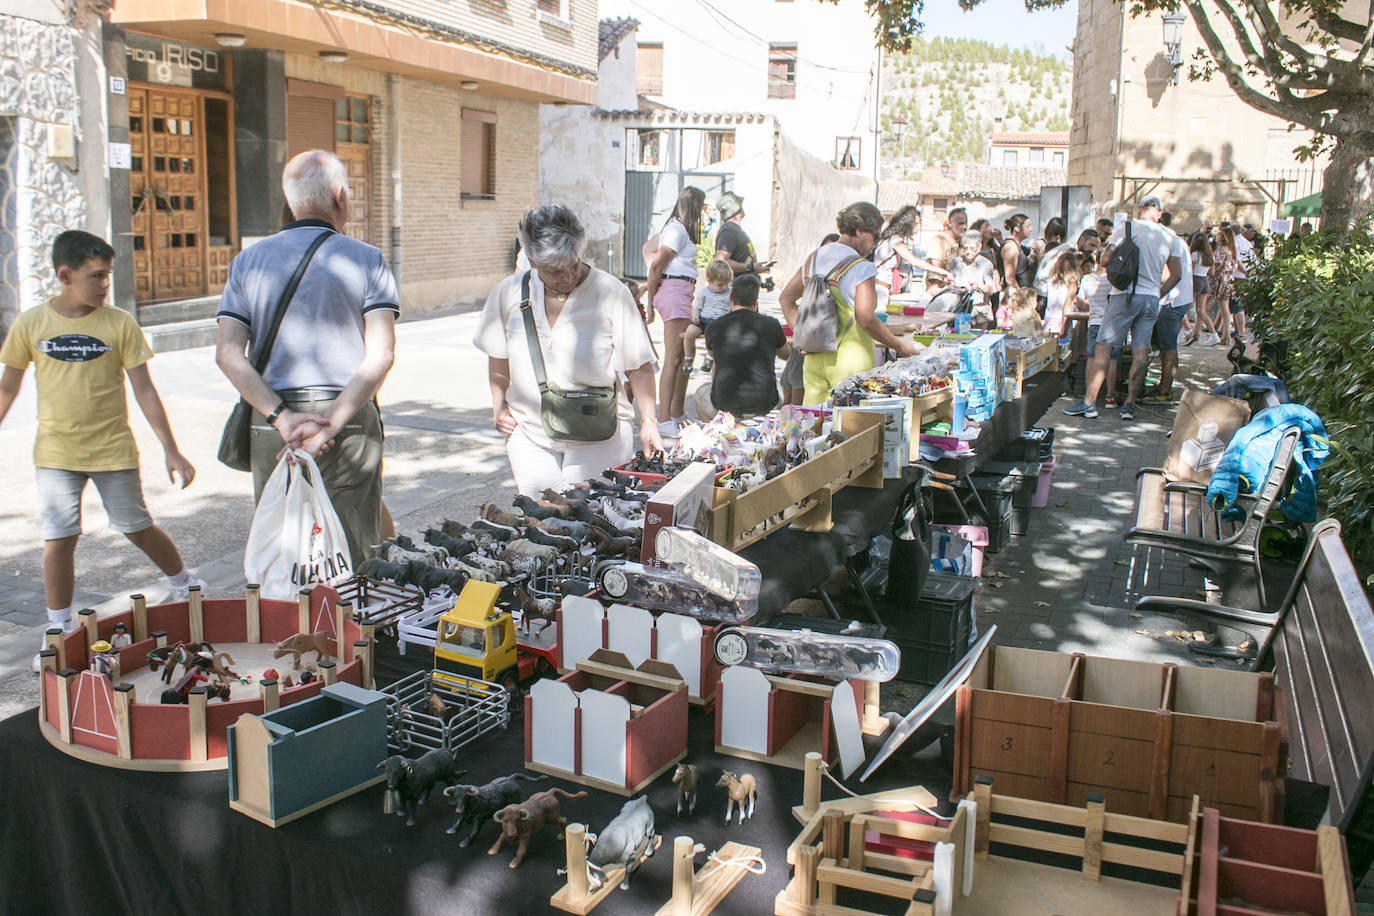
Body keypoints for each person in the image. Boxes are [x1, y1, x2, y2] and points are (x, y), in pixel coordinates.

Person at [0, 230, 203, 670]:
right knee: (59, 539)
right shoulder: (31, 324)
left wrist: (172, 449)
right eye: (96, 276)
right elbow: (7, 388)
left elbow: (146, 391)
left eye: (108, 276)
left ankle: (186, 584)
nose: (104, 284)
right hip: (55, 453)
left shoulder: (118, 323)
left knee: (136, 526)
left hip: (112, 450)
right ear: (65, 275)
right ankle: (58, 629)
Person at [215, 149, 397, 569]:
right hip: (346, 415)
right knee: (352, 548)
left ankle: (289, 631)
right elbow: (381, 354)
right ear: (339, 196)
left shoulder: (248, 262)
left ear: (290, 200)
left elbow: (227, 354)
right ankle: (354, 632)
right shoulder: (367, 259)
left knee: (282, 545)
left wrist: (281, 417)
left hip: (273, 418)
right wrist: (330, 425)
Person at [475, 206, 663, 496]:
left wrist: (649, 423)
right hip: (528, 430)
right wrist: (498, 405)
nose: (569, 275)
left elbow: (638, 366)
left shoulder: (611, 292)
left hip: (601, 431)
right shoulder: (507, 293)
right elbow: (498, 356)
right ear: (533, 263)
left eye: (574, 263)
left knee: (592, 519)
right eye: (555, 270)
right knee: (540, 519)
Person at [779, 203, 919, 406]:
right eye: (875, 237)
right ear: (859, 230)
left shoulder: (814, 258)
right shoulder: (861, 268)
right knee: (848, 431)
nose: (875, 243)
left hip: (814, 361)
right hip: (850, 363)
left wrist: (802, 337)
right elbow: (866, 319)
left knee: (814, 427)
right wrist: (899, 346)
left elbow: (785, 299)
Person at [1064, 194, 1181, 421]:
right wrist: (1157, 294)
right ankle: (1129, 405)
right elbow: (1176, 275)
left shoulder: (1127, 229)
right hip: (1150, 300)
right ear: (1158, 213)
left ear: (1139, 210)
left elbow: (1106, 259)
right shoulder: (1170, 236)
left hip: (1124, 296)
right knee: (1140, 352)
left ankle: (1089, 402)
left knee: (1103, 348)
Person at [645, 186, 706, 435]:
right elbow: (656, 265)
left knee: (681, 356)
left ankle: (677, 414)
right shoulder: (677, 229)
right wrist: (649, 301)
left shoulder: (675, 228)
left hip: (680, 290)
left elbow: (647, 249)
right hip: (675, 291)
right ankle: (664, 420)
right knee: (673, 357)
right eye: (701, 207)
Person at [705, 274, 790, 418]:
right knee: (782, 386)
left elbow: (713, 355)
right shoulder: (771, 324)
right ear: (755, 302)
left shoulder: (714, 326)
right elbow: (786, 355)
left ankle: (717, 432)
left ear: (731, 298)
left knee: (700, 394)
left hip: (724, 406)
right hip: (766, 405)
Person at [1142, 225, 1195, 403]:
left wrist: (1155, 295)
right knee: (1168, 347)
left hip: (1171, 302)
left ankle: (1165, 390)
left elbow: (1167, 275)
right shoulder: (1181, 243)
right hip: (1180, 300)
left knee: (1168, 347)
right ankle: (1164, 387)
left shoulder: (1169, 245)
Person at [873, 206, 951, 306]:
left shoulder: (888, 238)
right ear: (907, 223)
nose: (917, 227)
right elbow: (916, 262)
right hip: (880, 287)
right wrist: (943, 272)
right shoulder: (896, 241)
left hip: (878, 286)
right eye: (916, 224)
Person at [1074, 248, 1121, 408]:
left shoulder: (1087, 279)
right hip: (1111, 323)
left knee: (1091, 358)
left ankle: (1089, 397)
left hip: (1093, 322)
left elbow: (1079, 302)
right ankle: (1109, 397)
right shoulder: (1113, 280)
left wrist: (1089, 305)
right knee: (1112, 359)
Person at [683, 259, 733, 374]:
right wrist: (695, 316)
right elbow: (696, 306)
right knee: (689, 333)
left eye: (727, 283)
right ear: (710, 281)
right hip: (703, 319)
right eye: (720, 285)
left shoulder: (730, 293)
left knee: (713, 338)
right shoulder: (704, 292)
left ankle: (710, 357)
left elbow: (733, 307)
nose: (724, 287)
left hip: (719, 322)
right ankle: (688, 357)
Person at [947, 230, 1000, 327]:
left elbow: (990, 290)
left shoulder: (985, 264)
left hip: (979, 308)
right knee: (960, 338)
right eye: (965, 248)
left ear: (979, 247)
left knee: (979, 339)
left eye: (972, 248)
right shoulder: (956, 263)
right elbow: (951, 285)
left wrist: (978, 286)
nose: (968, 252)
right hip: (960, 309)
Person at [713, 192, 770, 280]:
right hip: (736, 288)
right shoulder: (728, 231)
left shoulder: (733, 229)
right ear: (735, 208)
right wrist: (751, 267)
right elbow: (722, 262)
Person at [1042, 248, 1084, 340]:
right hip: (1061, 318)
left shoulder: (1051, 279)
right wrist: (1063, 323)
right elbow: (1068, 303)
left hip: (1048, 317)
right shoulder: (1072, 282)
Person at [1208, 226, 1240, 343]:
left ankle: (1223, 333)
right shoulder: (1231, 251)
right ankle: (1226, 333)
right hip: (1228, 279)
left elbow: (1216, 266)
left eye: (1219, 234)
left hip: (1220, 280)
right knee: (1224, 307)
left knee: (1214, 305)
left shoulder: (1221, 250)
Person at [1032, 217, 1071, 313]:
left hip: (1047, 290)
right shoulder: (1041, 246)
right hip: (1043, 290)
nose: (1057, 238)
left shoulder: (1057, 247)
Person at [1189, 233, 1218, 346]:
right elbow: (1212, 272)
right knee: (1201, 310)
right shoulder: (1210, 256)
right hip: (1204, 280)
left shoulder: (1195, 255)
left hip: (1195, 279)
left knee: (1185, 307)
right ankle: (1209, 333)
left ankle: (1186, 330)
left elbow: (1190, 270)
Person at [999, 213, 1035, 297]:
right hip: (1015, 297)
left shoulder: (1017, 246)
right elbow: (1009, 277)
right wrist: (1020, 296)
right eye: (1028, 226)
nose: (1031, 229)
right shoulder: (1011, 247)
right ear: (1017, 228)